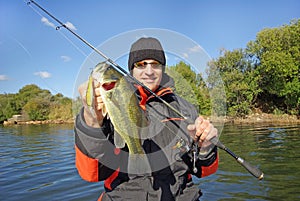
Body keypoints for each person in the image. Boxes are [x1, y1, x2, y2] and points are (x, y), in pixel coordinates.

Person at [74, 37, 219, 201]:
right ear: (131, 69)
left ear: (163, 69)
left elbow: (204, 171)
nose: (149, 71)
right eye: (141, 64)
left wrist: (206, 147)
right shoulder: (106, 105)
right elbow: (91, 174)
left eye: (155, 64)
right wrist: (92, 122)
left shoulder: (186, 109)